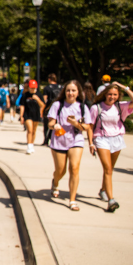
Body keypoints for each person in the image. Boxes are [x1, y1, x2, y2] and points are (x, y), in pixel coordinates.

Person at [89, 82, 133, 212]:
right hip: (101, 139)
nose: (112, 97)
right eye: (110, 94)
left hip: (117, 139)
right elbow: (90, 126)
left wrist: (124, 87)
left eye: (115, 94)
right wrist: (91, 142)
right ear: (105, 94)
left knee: (110, 169)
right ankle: (111, 200)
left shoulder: (120, 106)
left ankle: (103, 190)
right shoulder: (96, 108)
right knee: (107, 169)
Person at [47, 80, 92, 211]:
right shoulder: (57, 105)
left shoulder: (83, 107)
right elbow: (50, 123)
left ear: (78, 92)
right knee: (61, 170)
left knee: (74, 168)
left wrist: (75, 123)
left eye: (73, 90)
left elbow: (86, 127)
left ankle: (72, 200)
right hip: (59, 141)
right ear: (64, 92)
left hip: (76, 141)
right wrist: (54, 125)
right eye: (68, 90)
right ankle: (55, 182)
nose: (70, 93)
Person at [19, 80, 45, 154]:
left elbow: (42, 105)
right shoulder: (25, 95)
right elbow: (22, 106)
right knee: (29, 130)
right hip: (27, 114)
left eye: (34, 88)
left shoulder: (39, 94)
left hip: (36, 114)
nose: (32, 89)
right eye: (31, 88)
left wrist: (37, 99)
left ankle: (32, 144)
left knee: (34, 131)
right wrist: (21, 116)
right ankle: (29, 146)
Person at [41, 74, 62, 146]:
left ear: (49, 79)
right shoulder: (60, 87)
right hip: (59, 108)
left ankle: (46, 140)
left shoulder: (47, 88)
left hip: (49, 108)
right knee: (57, 124)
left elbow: (44, 100)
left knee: (47, 125)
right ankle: (55, 139)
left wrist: (42, 109)